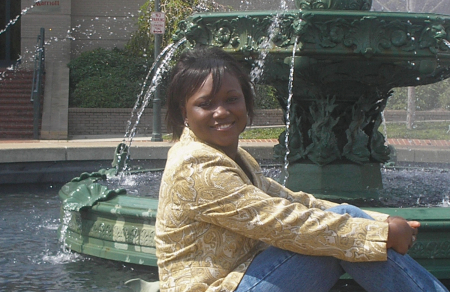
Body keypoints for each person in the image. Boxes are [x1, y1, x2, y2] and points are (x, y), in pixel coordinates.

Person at [154, 46, 448, 292]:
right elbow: (284, 223)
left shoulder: (233, 156)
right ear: (185, 113)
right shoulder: (196, 166)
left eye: (232, 99)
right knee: (332, 242)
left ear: (246, 101)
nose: (222, 112)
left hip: (239, 279)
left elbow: (296, 202)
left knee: (342, 221)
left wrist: (380, 221)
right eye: (206, 104)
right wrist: (380, 233)